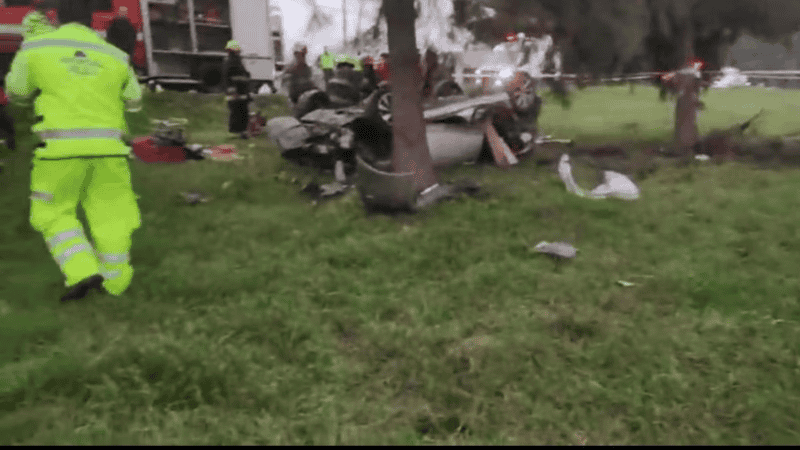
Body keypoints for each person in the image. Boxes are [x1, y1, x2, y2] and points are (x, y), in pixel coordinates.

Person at [6, 0, 143, 302]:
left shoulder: (37, 47)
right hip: (110, 150)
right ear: (92, 20)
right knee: (112, 214)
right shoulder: (115, 55)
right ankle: (116, 283)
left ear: (56, 17)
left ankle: (82, 270)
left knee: (53, 212)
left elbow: (17, 92)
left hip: (59, 151)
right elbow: (134, 100)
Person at [222, 40, 251, 139]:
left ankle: (241, 132)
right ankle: (240, 132)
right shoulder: (233, 62)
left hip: (239, 91)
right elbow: (230, 77)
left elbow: (242, 75)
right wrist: (233, 90)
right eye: (238, 51)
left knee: (239, 112)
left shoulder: (234, 62)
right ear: (234, 51)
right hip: (237, 91)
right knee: (239, 112)